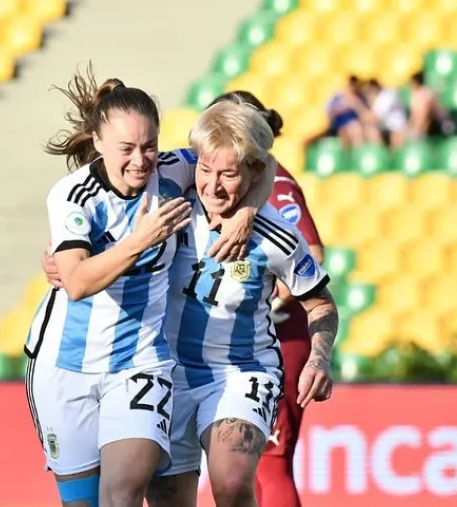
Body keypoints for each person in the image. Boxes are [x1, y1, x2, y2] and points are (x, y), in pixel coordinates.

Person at [26, 65, 272, 507]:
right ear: (98, 142)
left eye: (149, 146)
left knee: (123, 493)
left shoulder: (175, 170)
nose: (140, 160)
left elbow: (258, 162)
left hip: (140, 362)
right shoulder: (72, 196)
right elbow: (77, 283)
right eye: (126, 149)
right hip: (66, 364)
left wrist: (247, 212)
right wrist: (139, 241)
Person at [145, 99, 339, 507]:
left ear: (253, 171)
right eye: (205, 170)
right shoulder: (171, 203)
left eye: (229, 175)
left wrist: (319, 359)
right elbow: (113, 177)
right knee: (166, 498)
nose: (213, 186)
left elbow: (321, 305)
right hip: (166, 372)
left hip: (240, 373)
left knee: (231, 483)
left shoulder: (277, 236)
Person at [205, 91, 326, 507]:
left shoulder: (278, 186)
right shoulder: (223, 181)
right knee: (248, 467)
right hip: (238, 346)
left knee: (272, 462)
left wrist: (267, 299)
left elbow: (311, 253)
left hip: (278, 341)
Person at [408, 71, 455, 140]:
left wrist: (418, 131)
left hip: (440, 125)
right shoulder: (414, 95)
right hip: (429, 126)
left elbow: (426, 115)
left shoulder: (426, 94)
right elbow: (414, 116)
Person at [364, 78, 409, 149]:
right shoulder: (377, 98)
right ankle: (378, 153)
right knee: (371, 131)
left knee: (396, 136)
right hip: (386, 129)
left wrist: (355, 103)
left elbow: (374, 117)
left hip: (398, 128)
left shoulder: (387, 95)